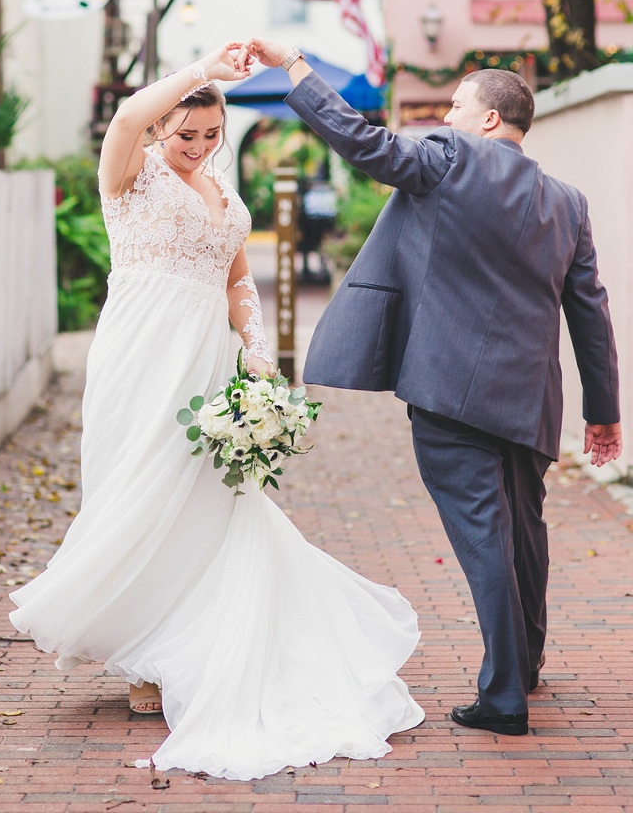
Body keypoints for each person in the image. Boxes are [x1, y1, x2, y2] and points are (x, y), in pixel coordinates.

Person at [10, 44, 424, 781]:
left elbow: (237, 282)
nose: (199, 146)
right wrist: (204, 69)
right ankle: (142, 659)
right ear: (160, 128)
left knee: (207, 496)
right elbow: (127, 115)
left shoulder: (223, 192)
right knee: (140, 489)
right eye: (185, 135)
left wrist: (258, 352)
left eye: (210, 135)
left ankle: (190, 642)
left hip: (206, 359)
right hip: (141, 352)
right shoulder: (129, 172)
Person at [242, 37, 622, 737]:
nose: (445, 117)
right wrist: (603, 412)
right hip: (532, 401)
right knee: (524, 534)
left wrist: (296, 69)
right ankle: (525, 665)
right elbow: (590, 312)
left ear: (488, 119)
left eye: (455, 106)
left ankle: (503, 698)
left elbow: (365, 145)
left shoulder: (450, 158)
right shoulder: (568, 203)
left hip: (450, 391)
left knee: (485, 538)